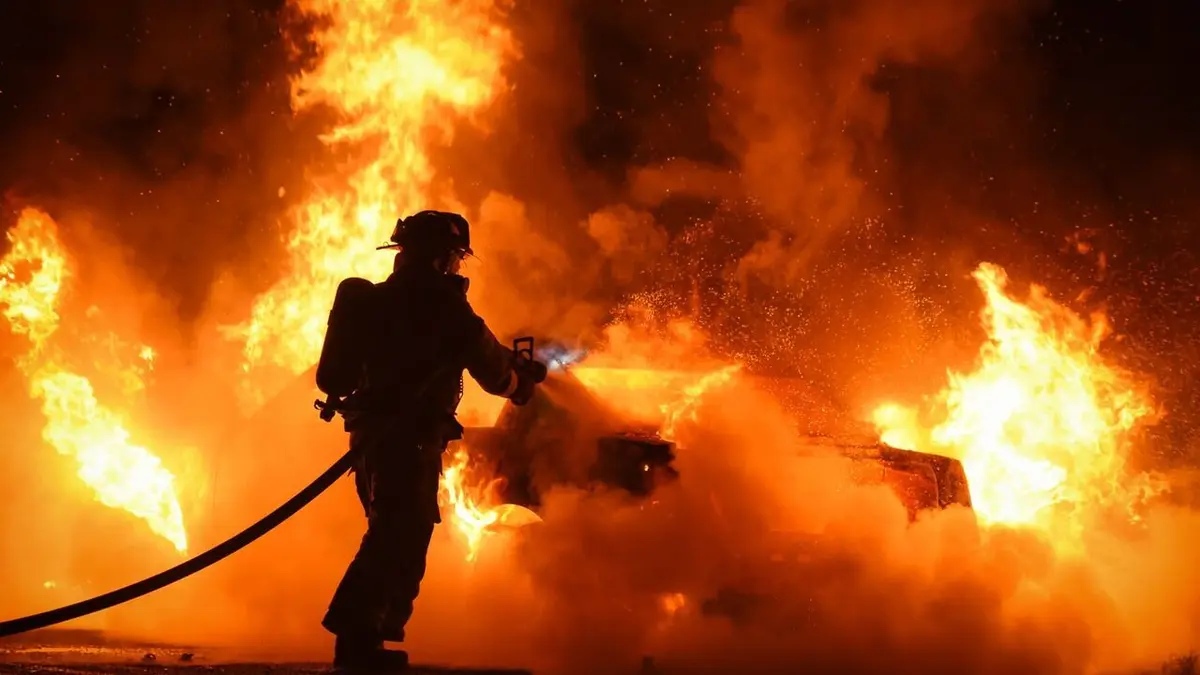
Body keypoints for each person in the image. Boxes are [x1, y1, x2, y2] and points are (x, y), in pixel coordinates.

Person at [318, 210, 543, 670]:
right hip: (409, 435)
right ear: (444, 257)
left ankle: (367, 638)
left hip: (367, 434)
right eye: (457, 257)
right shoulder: (441, 303)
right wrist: (520, 385)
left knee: (391, 526)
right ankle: (356, 632)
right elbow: (488, 363)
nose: (458, 266)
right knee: (402, 527)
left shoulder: (376, 300)